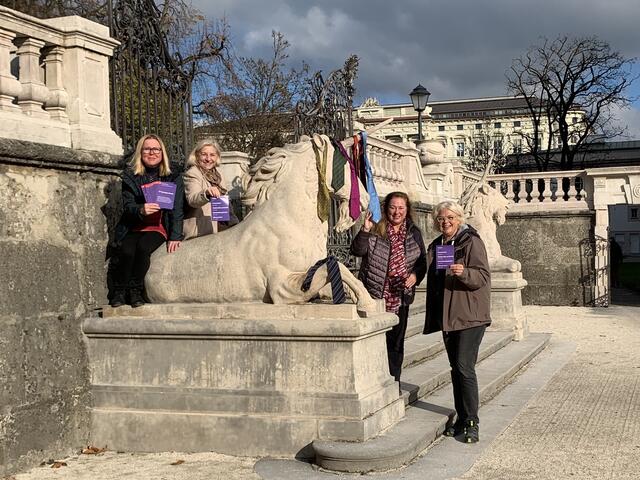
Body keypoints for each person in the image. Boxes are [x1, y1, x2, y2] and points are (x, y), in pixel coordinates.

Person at [423, 201, 491, 444]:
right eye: (441, 219)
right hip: (448, 317)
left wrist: (464, 272)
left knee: (464, 367)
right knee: (456, 369)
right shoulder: (438, 245)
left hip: (471, 315)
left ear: (459, 218)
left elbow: (482, 276)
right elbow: (437, 279)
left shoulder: (471, 241)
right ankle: (462, 418)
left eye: (450, 217)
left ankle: (472, 422)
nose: (445, 222)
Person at [351, 192, 426, 383]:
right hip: (375, 294)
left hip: (401, 296)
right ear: (386, 208)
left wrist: (415, 276)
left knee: (395, 343)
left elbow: (422, 261)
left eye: (401, 208)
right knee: (375, 341)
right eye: (393, 207)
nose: (397, 212)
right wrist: (365, 230)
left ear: (407, 210)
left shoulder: (413, 232)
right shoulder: (376, 229)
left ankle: (394, 382)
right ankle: (373, 381)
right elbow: (357, 251)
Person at [110, 134, 184, 308]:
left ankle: (135, 290)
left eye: (156, 149)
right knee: (126, 250)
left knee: (143, 248)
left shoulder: (173, 176)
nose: (152, 152)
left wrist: (175, 236)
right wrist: (141, 209)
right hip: (134, 225)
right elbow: (127, 205)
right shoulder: (130, 176)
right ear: (140, 152)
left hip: (158, 225)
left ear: (162, 152)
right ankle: (120, 292)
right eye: (147, 149)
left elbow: (177, 209)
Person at [183, 139, 237, 240]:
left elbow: (224, 201)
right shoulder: (193, 173)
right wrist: (206, 193)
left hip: (220, 228)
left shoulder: (218, 175)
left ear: (217, 157)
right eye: (204, 154)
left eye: (212, 155)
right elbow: (192, 199)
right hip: (200, 232)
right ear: (197, 155)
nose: (208, 159)